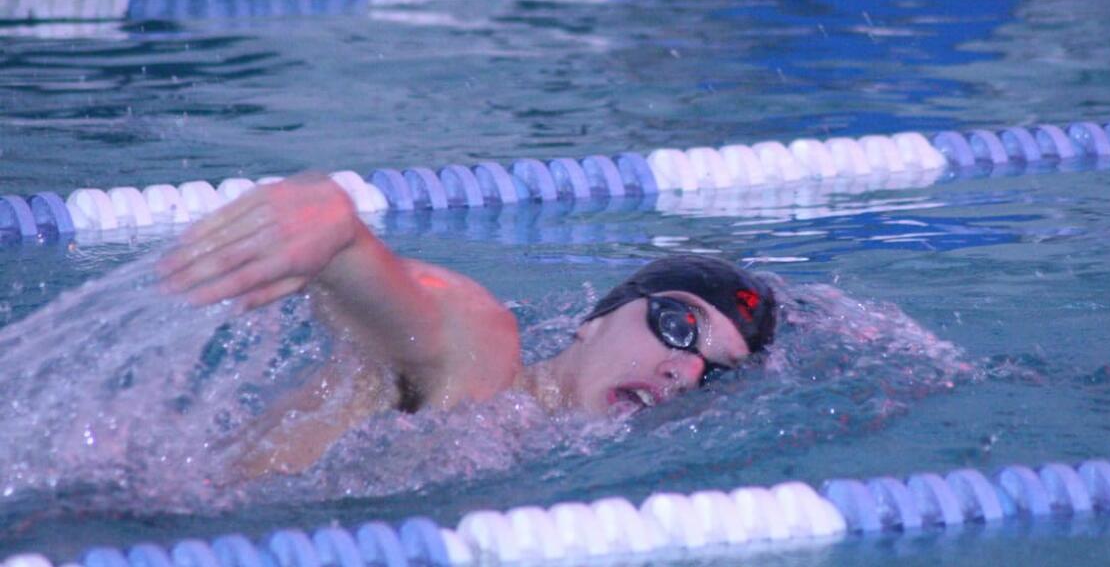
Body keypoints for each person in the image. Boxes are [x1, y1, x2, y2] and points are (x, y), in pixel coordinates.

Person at [157, 174, 777, 477]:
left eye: (715, 373)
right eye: (677, 325)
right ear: (595, 320)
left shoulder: (544, 451)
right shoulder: (487, 354)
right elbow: (419, 318)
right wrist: (341, 236)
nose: (686, 369)